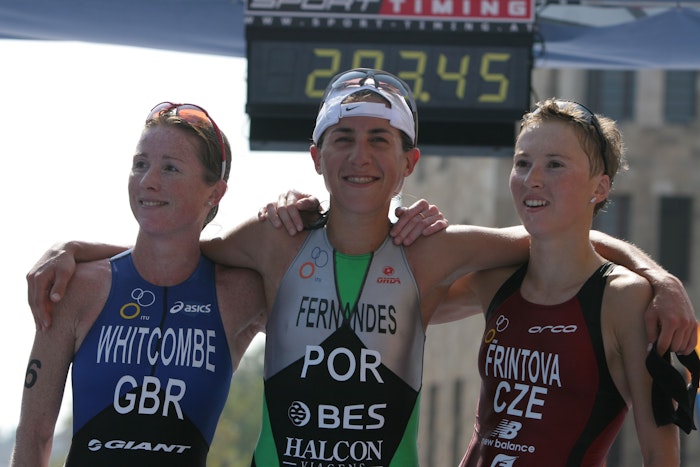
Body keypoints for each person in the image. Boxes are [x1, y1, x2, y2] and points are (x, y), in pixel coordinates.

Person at [25, 70, 697, 466]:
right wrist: (76, 249)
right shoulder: (274, 240)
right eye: (343, 138)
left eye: (380, 139)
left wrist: (660, 277)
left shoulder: (433, 251)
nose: (360, 155)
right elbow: (172, 246)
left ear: (409, 162)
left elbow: (559, 234)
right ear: (317, 158)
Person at [11, 102, 266, 467]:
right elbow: (34, 437)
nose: (148, 181)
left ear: (215, 193)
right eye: (140, 164)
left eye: (170, 168)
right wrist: (71, 247)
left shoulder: (239, 295)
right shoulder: (76, 288)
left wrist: (290, 211)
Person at [446, 99, 684, 465]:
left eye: (554, 164)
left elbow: (660, 455)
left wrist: (660, 279)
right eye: (522, 163)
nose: (532, 179)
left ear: (599, 188)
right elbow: (408, 306)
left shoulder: (624, 299)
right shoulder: (495, 281)